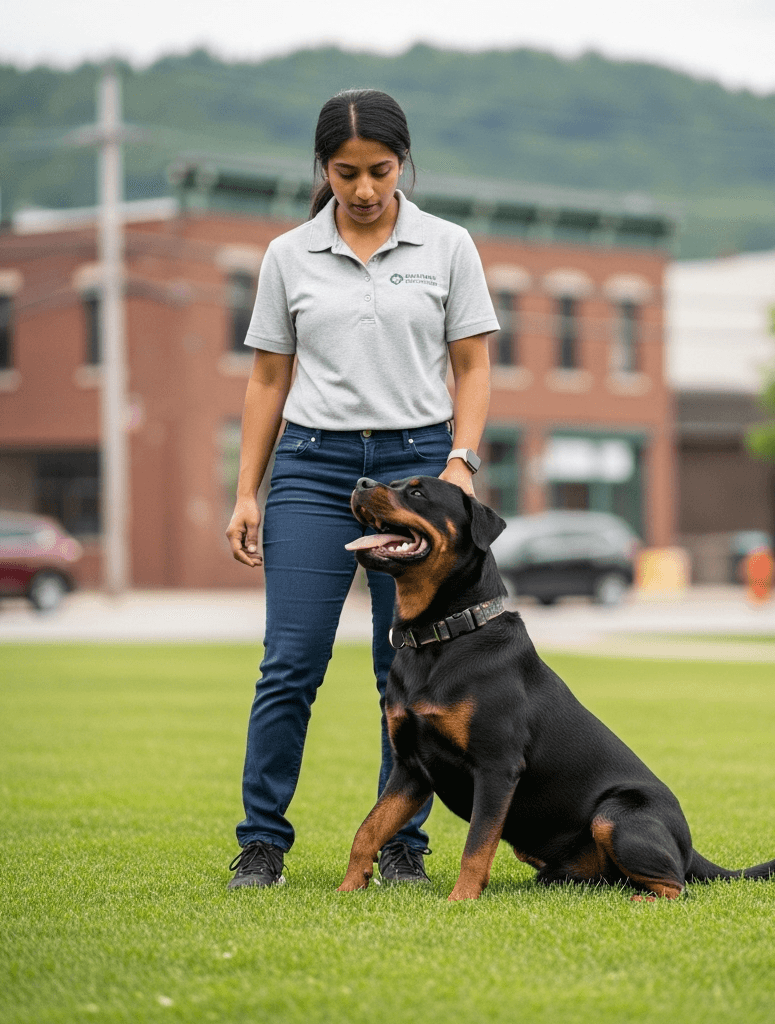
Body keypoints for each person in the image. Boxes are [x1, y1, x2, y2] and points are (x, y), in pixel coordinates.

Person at [224, 89, 500, 889]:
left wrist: (461, 460)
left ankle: (402, 845)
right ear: (324, 169)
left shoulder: (448, 246)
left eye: (380, 170)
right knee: (290, 663)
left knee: (405, 669)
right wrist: (247, 492)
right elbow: (268, 379)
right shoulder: (288, 256)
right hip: (312, 469)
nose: (366, 188)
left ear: (403, 162)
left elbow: (473, 365)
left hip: (417, 471)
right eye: (347, 173)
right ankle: (262, 844)